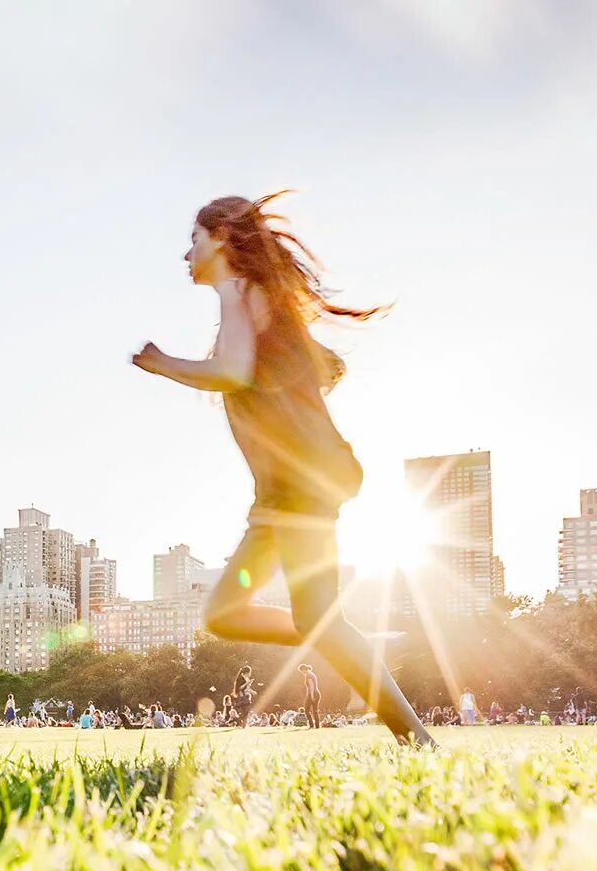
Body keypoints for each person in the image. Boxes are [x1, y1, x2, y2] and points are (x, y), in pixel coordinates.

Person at [133, 194, 431, 745]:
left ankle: (413, 735)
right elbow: (324, 365)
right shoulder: (261, 300)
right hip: (284, 491)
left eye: (194, 240)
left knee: (299, 619)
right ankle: (335, 638)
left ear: (221, 237)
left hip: (297, 488)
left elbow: (233, 370)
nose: (186, 254)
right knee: (225, 613)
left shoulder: (238, 290)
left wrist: (163, 364)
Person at [298, 663, 321, 728]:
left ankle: (311, 725)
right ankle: (317, 726)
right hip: (316, 693)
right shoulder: (312, 674)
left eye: (301, 671)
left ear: (303, 669)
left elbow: (311, 686)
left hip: (313, 693)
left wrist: (311, 696)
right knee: (315, 711)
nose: (301, 672)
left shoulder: (308, 675)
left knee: (307, 710)